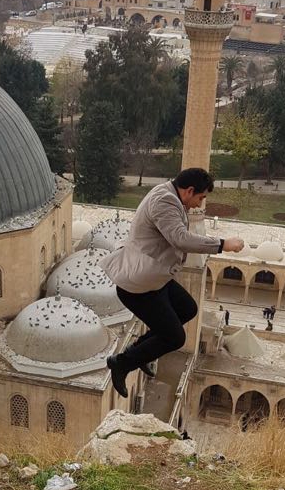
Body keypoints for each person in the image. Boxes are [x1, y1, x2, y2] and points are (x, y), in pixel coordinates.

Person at [100, 168, 245, 397]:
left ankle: (140, 351)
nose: (199, 204)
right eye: (201, 197)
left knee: (187, 309)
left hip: (156, 278)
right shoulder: (165, 201)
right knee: (175, 337)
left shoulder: (169, 194)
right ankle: (122, 363)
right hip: (138, 286)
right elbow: (180, 239)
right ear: (189, 191)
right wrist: (222, 244)